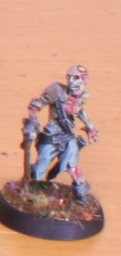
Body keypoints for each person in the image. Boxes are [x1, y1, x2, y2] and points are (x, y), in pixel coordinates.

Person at [24, 65, 99, 198]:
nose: (72, 81)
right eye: (69, 78)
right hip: (51, 137)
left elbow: (79, 110)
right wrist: (32, 123)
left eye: (76, 78)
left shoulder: (83, 96)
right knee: (40, 168)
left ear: (84, 80)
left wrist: (90, 126)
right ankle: (33, 191)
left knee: (72, 167)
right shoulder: (57, 91)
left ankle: (81, 194)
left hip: (68, 137)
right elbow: (37, 104)